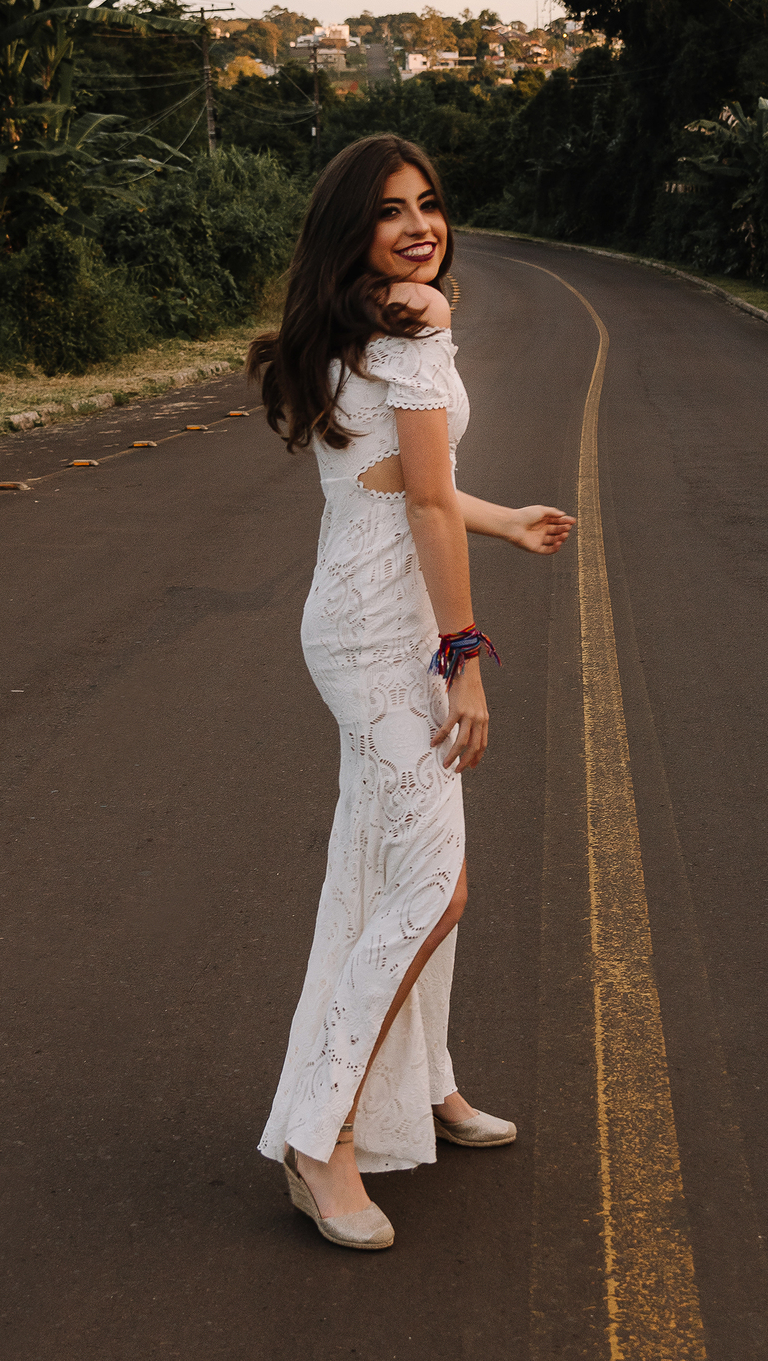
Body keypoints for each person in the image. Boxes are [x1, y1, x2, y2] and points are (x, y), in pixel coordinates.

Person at [248, 133, 574, 1251]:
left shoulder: (360, 329)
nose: (420, 225)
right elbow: (421, 508)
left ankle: (421, 1083)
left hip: (353, 622)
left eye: (430, 203)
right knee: (433, 888)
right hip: (387, 641)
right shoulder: (414, 330)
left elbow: (401, 487)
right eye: (392, 211)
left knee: (389, 870)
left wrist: (504, 515)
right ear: (354, 230)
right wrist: (464, 658)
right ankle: (319, 1135)